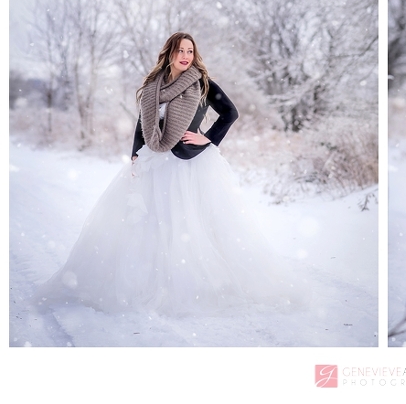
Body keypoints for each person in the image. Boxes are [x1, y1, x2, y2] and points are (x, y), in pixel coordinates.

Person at [35, 32, 299, 316]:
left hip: (190, 161)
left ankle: (201, 286)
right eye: (180, 50)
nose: (185, 55)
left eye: (190, 50)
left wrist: (208, 138)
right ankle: (148, 283)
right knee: (150, 223)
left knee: (191, 222)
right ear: (169, 53)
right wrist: (135, 155)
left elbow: (230, 113)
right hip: (155, 161)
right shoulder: (153, 87)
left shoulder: (202, 84)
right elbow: (143, 125)